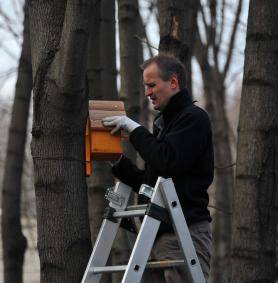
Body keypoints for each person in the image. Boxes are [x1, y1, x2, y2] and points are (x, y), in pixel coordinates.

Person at [102, 54, 214, 282]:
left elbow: (167, 161)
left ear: (173, 82)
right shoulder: (165, 124)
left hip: (184, 233)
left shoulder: (193, 119)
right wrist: (117, 162)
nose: (147, 93)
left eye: (152, 85)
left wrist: (134, 130)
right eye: (145, 86)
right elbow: (150, 185)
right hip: (154, 234)